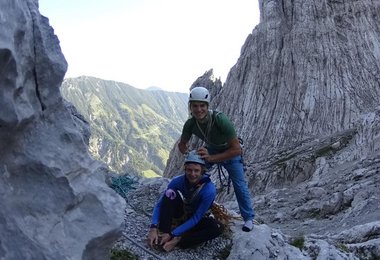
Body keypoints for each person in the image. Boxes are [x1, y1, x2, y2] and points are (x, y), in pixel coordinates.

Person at [178, 86, 255, 232]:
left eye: (202, 106)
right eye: (195, 106)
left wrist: (211, 158)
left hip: (230, 151)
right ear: (190, 107)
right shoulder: (191, 124)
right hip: (211, 149)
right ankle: (193, 207)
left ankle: (248, 218)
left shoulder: (220, 120)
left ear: (207, 106)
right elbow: (182, 144)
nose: (199, 109)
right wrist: (189, 154)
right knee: (195, 175)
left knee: (239, 184)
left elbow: (237, 149)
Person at [147, 150, 224, 252]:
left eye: (196, 171)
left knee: (217, 227)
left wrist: (173, 234)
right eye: (189, 170)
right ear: (185, 169)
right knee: (170, 193)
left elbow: (196, 218)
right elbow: (160, 204)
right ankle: (163, 232)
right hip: (183, 211)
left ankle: (178, 241)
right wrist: (153, 227)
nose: (192, 174)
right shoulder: (177, 181)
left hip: (197, 217)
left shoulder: (209, 190)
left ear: (202, 171)